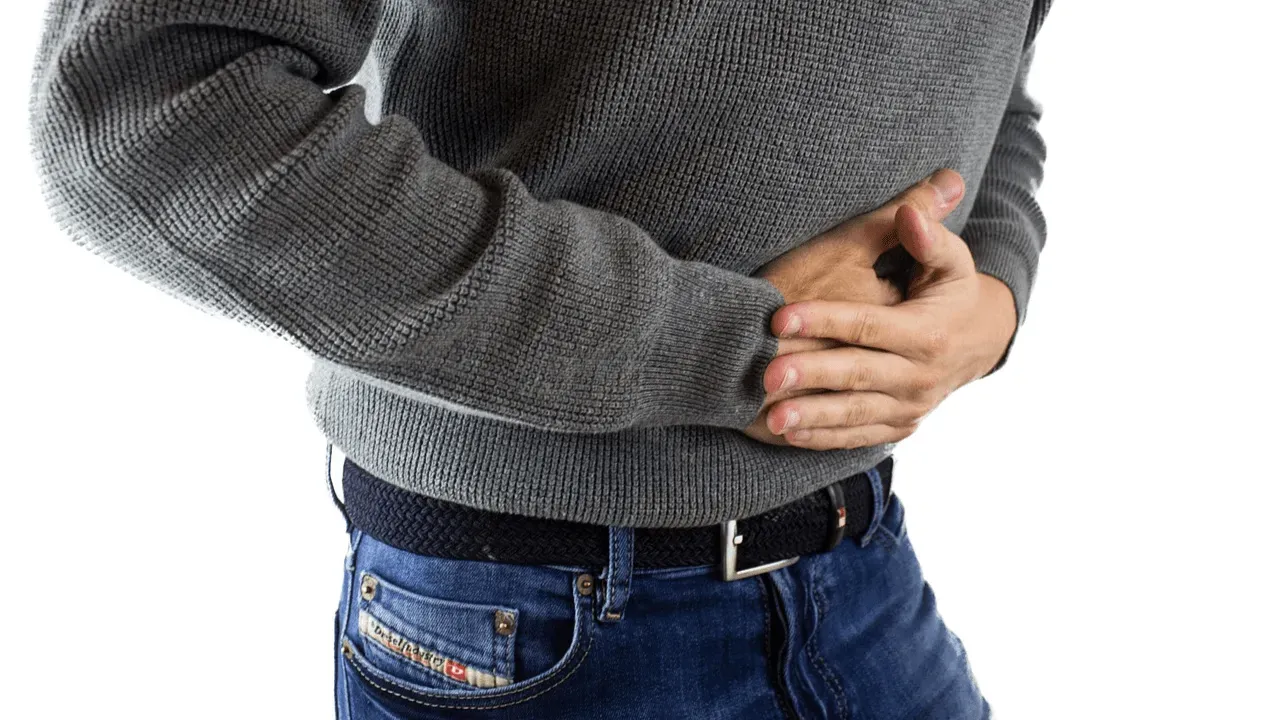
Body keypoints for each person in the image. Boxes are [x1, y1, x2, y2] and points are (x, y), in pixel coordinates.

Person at [28, 0, 1052, 717]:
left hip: (858, 564)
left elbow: (990, 71)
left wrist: (990, 295)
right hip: (534, 608)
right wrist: (729, 347)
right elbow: (144, 112)